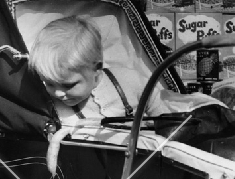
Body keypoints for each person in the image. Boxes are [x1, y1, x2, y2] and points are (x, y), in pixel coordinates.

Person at [28, 15, 225, 125]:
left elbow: (163, 116)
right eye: (49, 83)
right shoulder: (50, 107)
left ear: (96, 71)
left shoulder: (130, 81)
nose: (58, 93)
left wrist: (161, 125)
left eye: (68, 85)